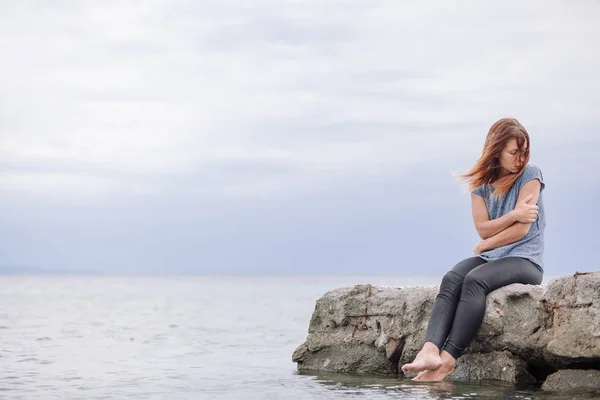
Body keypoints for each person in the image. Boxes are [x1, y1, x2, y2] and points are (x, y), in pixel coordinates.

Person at [401, 117, 546, 382]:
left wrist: (486, 243)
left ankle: (446, 362)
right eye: (514, 152)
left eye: (524, 152)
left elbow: (521, 230)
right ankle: (430, 350)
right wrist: (513, 214)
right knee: (453, 277)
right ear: (497, 150)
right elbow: (483, 229)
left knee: (475, 280)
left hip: (525, 259)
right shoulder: (481, 186)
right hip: (493, 258)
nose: (521, 159)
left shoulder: (531, 175)